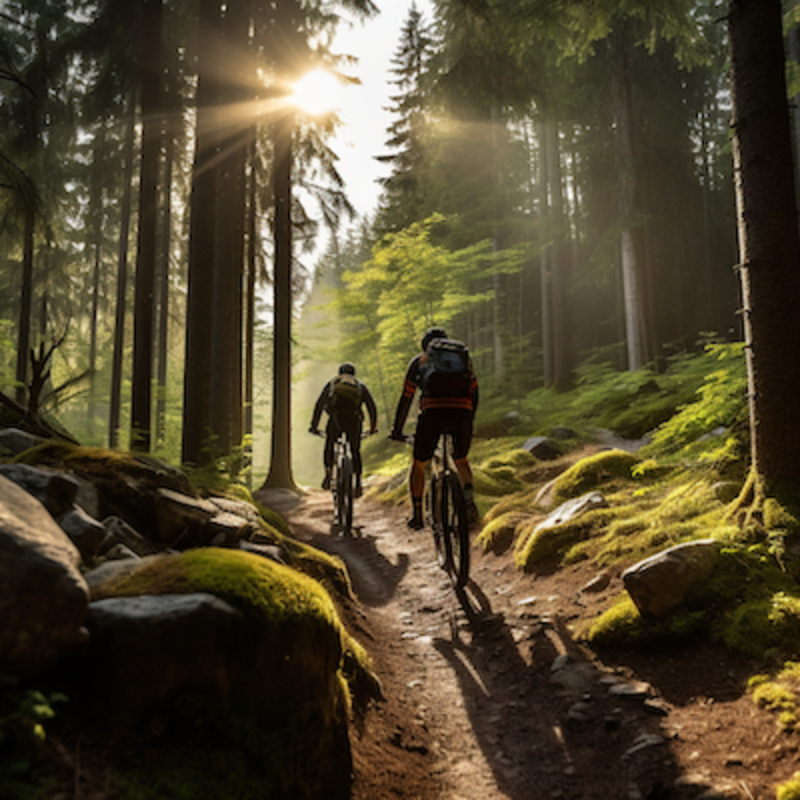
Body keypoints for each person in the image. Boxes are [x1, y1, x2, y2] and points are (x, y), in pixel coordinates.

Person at [389, 327, 479, 529]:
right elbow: (474, 390)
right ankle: (469, 500)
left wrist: (397, 429)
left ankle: (418, 513)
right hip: (462, 413)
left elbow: (407, 397)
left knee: (419, 463)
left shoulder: (420, 361)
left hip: (432, 413)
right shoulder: (463, 360)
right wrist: (470, 418)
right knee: (461, 460)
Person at [310, 362, 378, 497]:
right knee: (355, 450)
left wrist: (314, 426)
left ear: (339, 372)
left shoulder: (333, 384)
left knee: (330, 444)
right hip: (354, 421)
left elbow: (319, 405)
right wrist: (372, 427)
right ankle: (358, 483)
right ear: (354, 373)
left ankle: (328, 475)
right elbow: (371, 407)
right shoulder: (359, 385)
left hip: (336, 420)